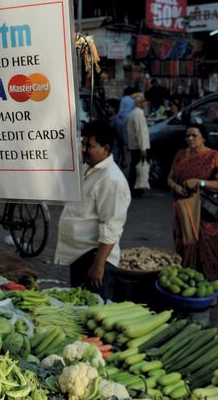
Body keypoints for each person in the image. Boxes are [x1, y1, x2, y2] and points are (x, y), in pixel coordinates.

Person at [55, 120, 131, 300]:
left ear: (105, 148)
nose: (84, 149)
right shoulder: (88, 168)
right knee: (80, 306)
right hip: (79, 255)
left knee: (95, 313)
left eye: (90, 146)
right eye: (83, 144)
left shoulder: (111, 180)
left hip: (95, 258)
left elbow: (111, 226)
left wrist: (98, 265)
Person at [167, 123, 218, 281]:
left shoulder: (213, 156)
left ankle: (210, 284)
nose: (190, 138)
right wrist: (176, 187)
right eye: (188, 135)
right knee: (184, 246)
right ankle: (185, 283)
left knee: (207, 248)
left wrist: (199, 182)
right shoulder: (180, 154)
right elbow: (170, 178)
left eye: (194, 135)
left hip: (205, 211)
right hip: (183, 210)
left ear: (204, 138)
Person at [125, 93, 150, 195]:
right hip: (138, 146)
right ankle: (136, 188)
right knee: (137, 168)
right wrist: (143, 148)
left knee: (135, 167)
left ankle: (134, 188)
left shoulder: (133, 113)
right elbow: (140, 132)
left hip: (134, 145)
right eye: (144, 101)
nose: (145, 103)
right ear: (140, 103)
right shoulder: (138, 113)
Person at [104, 99, 126, 168]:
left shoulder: (118, 123)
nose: (105, 109)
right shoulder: (106, 120)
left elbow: (123, 142)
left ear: (114, 109)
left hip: (114, 154)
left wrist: (124, 158)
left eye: (108, 107)